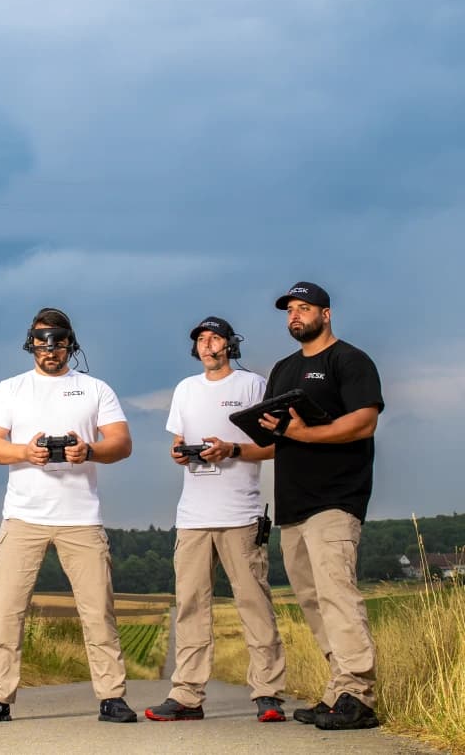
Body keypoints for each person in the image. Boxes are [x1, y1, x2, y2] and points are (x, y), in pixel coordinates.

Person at [0, 307, 137, 724]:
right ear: (30, 343)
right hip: (23, 515)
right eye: (42, 340)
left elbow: (122, 442)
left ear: (70, 343)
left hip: (81, 516)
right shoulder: (10, 389)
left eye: (58, 340)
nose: (50, 348)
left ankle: (111, 696)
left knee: (97, 610)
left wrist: (88, 450)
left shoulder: (96, 389)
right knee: (6, 609)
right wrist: (26, 451)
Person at [144, 317, 287, 723]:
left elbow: (274, 446)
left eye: (216, 339)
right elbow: (176, 442)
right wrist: (179, 452)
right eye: (202, 340)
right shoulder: (185, 390)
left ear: (230, 345)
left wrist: (231, 450)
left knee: (254, 603)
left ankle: (268, 694)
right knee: (191, 606)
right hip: (193, 516)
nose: (208, 346)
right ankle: (187, 695)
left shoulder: (253, 385)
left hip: (240, 514)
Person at [260, 282, 383, 731]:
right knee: (312, 600)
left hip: (336, 497)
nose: (296, 315)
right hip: (292, 503)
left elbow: (364, 421)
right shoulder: (283, 368)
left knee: (337, 595)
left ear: (326, 314)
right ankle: (339, 689)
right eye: (290, 310)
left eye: (304, 308)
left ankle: (359, 696)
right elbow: (277, 433)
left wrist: (304, 435)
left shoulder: (349, 360)